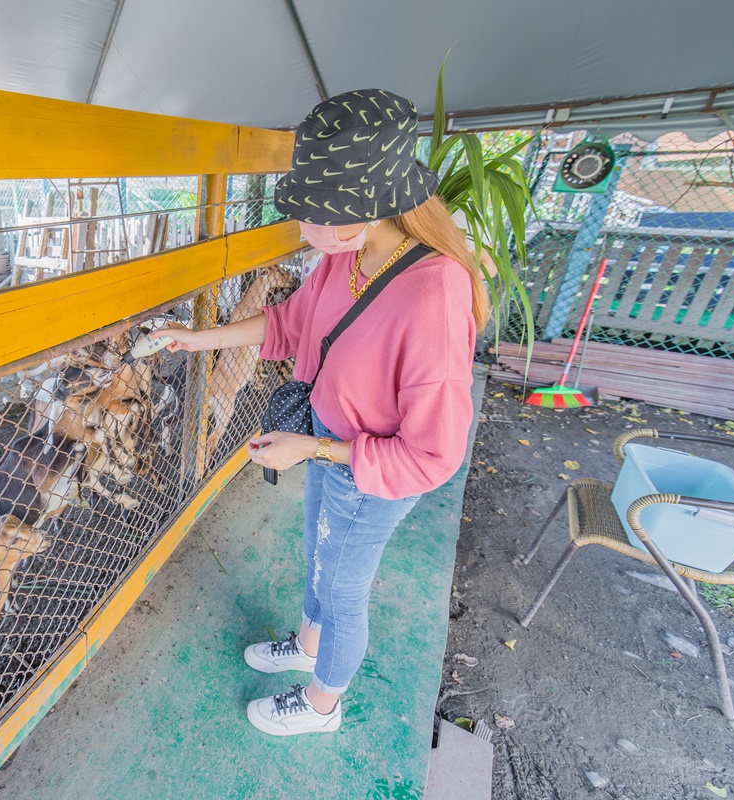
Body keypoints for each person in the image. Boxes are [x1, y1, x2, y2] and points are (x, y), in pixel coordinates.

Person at [150, 89, 490, 736]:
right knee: (316, 553)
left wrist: (311, 451)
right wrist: (197, 340)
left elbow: (432, 455)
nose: (301, 225)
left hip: (369, 468)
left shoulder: (435, 295)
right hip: (327, 441)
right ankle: (306, 645)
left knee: (340, 588)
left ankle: (321, 705)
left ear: (360, 211)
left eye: (311, 212)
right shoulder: (347, 256)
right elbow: (289, 323)